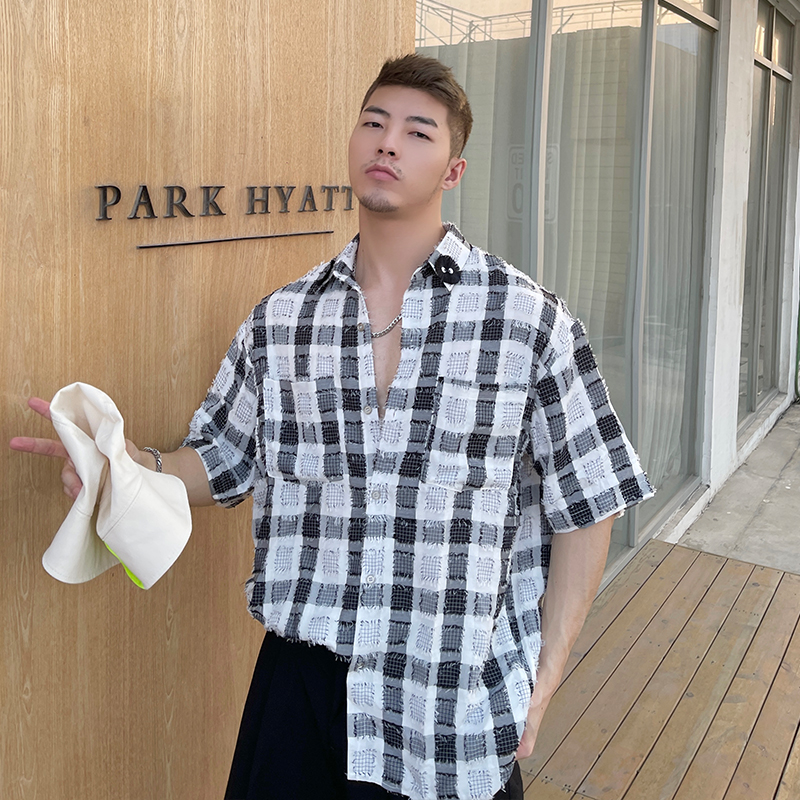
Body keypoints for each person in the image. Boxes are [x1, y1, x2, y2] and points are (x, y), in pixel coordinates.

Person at [10, 54, 653, 800]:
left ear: (453, 170)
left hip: (448, 697)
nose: (388, 143)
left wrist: (544, 681)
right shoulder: (283, 321)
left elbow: (590, 498)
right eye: (374, 123)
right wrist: (122, 465)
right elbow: (221, 461)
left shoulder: (526, 319)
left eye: (418, 132)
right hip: (300, 686)